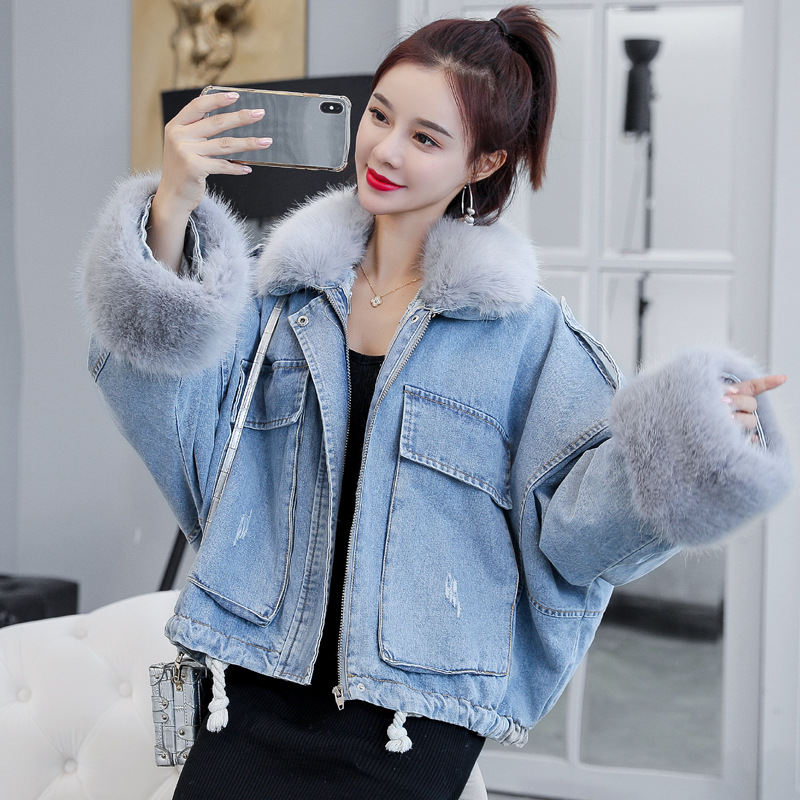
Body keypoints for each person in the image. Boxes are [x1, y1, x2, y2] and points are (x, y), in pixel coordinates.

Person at [78, 6, 791, 799]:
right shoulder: (278, 302)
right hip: (252, 673)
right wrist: (172, 207)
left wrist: (692, 439)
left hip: (409, 714)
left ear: (483, 162)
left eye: (425, 138)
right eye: (380, 116)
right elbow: (178, 424)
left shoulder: (527, 338)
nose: (385, 150)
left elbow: (578, 527)